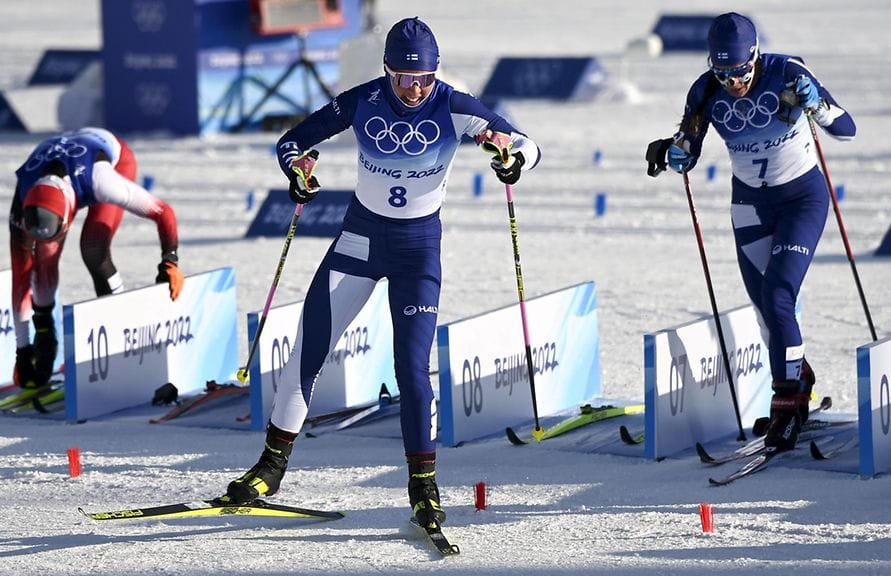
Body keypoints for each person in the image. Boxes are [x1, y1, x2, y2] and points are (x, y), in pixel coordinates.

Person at [221, 17, 540, 532]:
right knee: (310, 345)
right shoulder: (364, 99)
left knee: (412, 369)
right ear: (387, 70)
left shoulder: (455, 105)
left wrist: (511, 158)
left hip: (417, 250)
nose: (414, 90)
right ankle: (271, 467)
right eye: (404, 78)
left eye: (424, 79)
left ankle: (423, 485)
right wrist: (297, 169)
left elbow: (525, 143)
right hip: (359, 240)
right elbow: (292, 141)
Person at [645, 13, 856, 452]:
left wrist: (815, 104)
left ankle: (787, 398)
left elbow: (846, 130)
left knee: (781, 295)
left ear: (755, 57)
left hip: (802, 199)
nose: (734, 83)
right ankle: (800, 377)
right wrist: (672, 153)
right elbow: (689, 148)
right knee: (765, 308)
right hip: (749, 205)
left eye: (740, 72)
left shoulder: (788, 72)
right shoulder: (705, 91)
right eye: (723, 73)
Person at [9, 127, 183, 389]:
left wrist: (169, 260)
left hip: (106, 158)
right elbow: (21, 279)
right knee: (44, 258)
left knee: (93, 247)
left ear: (66, 219)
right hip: (61, 165)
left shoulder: (102, 181)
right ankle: (48, 333)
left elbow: (163, 211)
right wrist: (25, 347)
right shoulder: (22, 203)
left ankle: (121, 332)